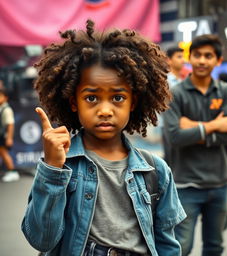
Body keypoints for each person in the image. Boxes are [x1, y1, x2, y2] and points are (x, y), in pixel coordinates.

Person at [21, 20, 186, 256]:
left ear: (133, 102)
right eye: (91, 98)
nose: (105, 110)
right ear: (73, 102)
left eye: (117, 98)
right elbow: (42, 240)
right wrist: (52, 169)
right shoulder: (61, 164)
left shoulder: (156, 171)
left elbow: (167, 245)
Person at [163, 34, 227, 256]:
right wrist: (215, 125)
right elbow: (175, 137)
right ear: (190, 58)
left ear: (218, 61)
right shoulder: (175, 94)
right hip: (185, 184)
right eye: (197, 55)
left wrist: (193, 127)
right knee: (181, 247)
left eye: (208, 56)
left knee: (214, 246)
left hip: (219, 183)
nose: (202, 61)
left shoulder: (226, 91)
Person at [0, 85, 19, 182]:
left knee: (4, 153)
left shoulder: (6, 109)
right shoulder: (1, 108)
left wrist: (9, 138)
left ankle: (12, 172)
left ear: (6, 97)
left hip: (4, 136)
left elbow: (10, 124)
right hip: (1, 136)